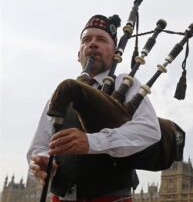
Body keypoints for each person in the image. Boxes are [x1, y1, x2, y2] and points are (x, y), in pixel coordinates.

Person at [27, 14, 161, 202]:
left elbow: (149, 130)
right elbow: (39, 146)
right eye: (86, 39)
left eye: (101, 39)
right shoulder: (60, 94)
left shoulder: (125, 83)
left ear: (115, 52)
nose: (92, 43)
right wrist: (41, 164)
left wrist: (91, 142)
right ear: (78, 53)